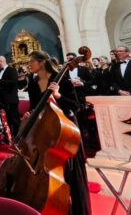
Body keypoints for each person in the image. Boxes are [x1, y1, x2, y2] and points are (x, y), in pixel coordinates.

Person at [26, 51, 90, 215]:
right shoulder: (33, 83)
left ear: (41, 62)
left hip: (64, 127)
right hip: (45, 128)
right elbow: (35, 106)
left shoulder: (60, 77)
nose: (28, 65)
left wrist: (58, 95)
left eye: (31, 62)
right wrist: (30, 114)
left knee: (69, 170)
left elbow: (76, 106)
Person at [0, 56, 19, 136]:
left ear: (1, 61)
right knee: (6, 120)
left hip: (11, 100)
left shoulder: (12, 70)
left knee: (14, 119)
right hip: (2, 101)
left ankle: (17, 137)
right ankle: (8, 137)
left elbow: (13, 82)